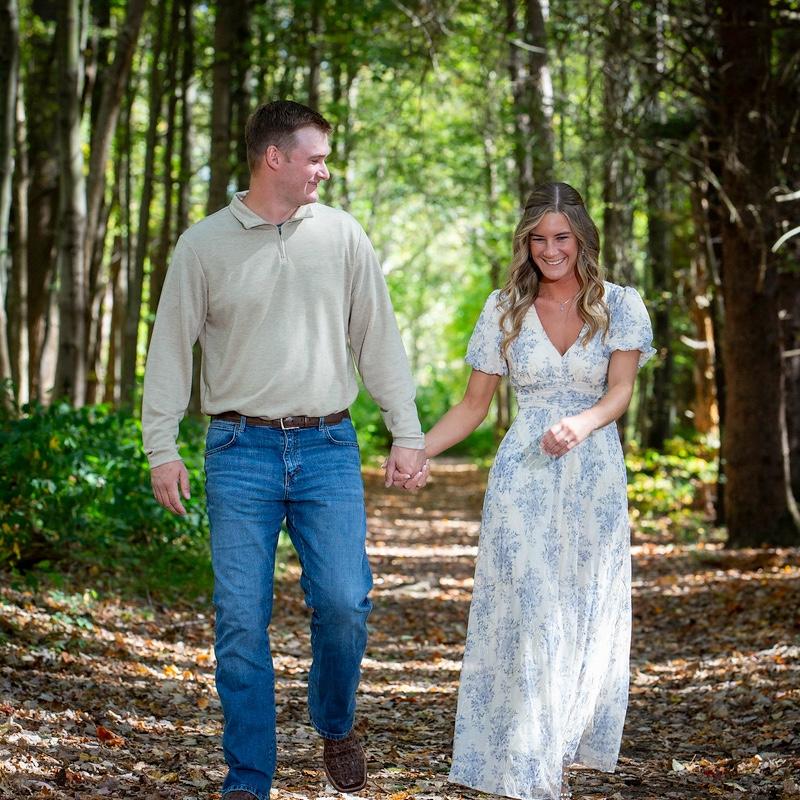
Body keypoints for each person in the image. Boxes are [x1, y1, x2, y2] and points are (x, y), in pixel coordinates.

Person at [141, 100, 427, 800]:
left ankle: (335, 721)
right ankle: (249, 780)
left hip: (328, 444)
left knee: (345, 602)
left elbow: (378, 339)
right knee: (241, 620)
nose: (324, 171)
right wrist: (160, 447)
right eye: (315, 159)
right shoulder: (203, 245)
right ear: (275, 158)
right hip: (239, 448)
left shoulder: (343, 236)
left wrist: (407, 431)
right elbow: (170, 348)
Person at [423, 182, 654, 800]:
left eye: (561, 237)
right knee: (530, 607)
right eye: (538, 239)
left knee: (577, 607)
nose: (550, 250)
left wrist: (583, 422)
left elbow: (620, 392)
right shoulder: (505, 309)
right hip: (522, 475)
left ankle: (556, 741)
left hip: (593, 472)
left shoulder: (620, 305)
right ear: (525, 243)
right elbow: (473, 406)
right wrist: (417, 449)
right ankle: (528, 760)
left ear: (582, 238)